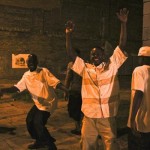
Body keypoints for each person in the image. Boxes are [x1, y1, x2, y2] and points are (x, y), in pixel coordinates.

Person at [65, 8, 129, 150]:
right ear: (90, 58)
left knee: (111, 144)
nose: (95, 56)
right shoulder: (85, 69)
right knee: (87, 144)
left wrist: (123, 24)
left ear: (104, 55)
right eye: (92, 54)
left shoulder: (112, 66)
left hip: (107, 116)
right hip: (89, 116)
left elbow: (122, 45)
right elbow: (70, 54)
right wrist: (68, 35)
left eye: (98, 53)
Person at [0, 54, 68, 150]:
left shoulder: (43, 71)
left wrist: (66, 90)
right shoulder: (26, 75)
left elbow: (55, 82)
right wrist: (3, 90)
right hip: (38, 103)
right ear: (27, 64)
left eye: (33, 61)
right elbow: (17, 87)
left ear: (37, 62)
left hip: (48, 102)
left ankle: (51, 146)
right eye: (29, 62)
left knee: (38, 122)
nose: (31, 63)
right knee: (29, 121)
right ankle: (39, 141)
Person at [127, 46, 150, 150]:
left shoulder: (139, 70)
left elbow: (139, 93)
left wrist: (132, 120)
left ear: (142, 58)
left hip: (140, 122)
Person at [64, 48, 82, 135]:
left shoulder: (71, 64)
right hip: (84, 91)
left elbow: (68, 78)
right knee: (81, 110)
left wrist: (65, 91)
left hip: (75, 91)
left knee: (74, 110)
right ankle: (82, 128)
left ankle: (78, 128)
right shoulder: (84, 64)